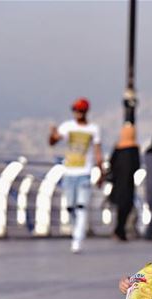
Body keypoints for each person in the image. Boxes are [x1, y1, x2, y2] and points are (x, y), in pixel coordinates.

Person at [49, 97, 103, 253]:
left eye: (80, 110)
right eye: (75, 109)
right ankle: (75, 233)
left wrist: (101, 171)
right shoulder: (67, 127)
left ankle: (77, 240)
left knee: (81, 207)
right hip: (69, 173)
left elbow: (97, 151)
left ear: (85, 111)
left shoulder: (93, 129)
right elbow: (53, 142)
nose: (77, 113)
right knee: (70, 207)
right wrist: (52, 134)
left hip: (84, 173)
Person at [108, 124, 139, 241]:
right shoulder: (134, 148)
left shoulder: (117, 148)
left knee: (120, 207)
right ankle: (120, 230)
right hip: (128, 183)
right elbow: (136, 166)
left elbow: (111, 163)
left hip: (117, 183)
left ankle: (119, 230)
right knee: (126, 206)